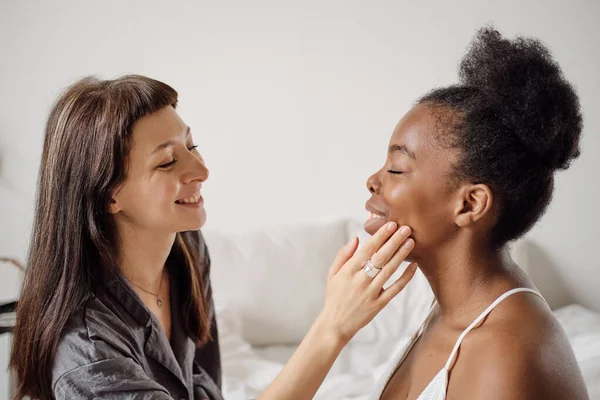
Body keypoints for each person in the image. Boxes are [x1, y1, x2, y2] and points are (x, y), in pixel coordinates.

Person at [10, 75, 418, 400]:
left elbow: (206, 383)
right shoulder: (90, 355)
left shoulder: (184, 248)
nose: (201, 171)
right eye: (168, 161)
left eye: (192, 145)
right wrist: (333, 327)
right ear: (110, 194)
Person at [364, 27, 589, 400]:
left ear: (469, 205)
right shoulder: (450, 313)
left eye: (397, 168)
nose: (372, 181)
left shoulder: (504, 352)